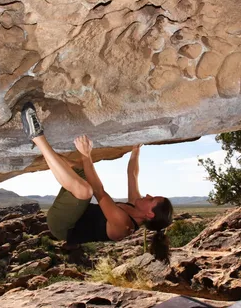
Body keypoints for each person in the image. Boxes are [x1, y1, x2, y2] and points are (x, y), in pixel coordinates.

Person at [21, 102, 174, 264]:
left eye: (152, 199)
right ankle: (43, 148)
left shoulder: (124, 224)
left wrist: (87, 155)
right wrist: (136, 149)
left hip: (63, 225)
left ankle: (36, 135)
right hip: (75, 212)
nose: (148, 195)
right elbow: (132, 175)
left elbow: (99, 191)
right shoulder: (135, 205)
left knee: (85, 190)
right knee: (82, 170)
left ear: (150, 214)